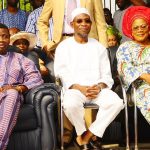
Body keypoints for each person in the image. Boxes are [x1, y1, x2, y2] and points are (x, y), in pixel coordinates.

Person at [54, 8, 124, 150]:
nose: (83, 24)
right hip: (75, 90)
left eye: (87, 21)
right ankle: (83, 135)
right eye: (79, 21)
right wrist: (80, 88)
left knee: (116, 103)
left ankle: (86, 136)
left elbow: (106, 76)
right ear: (72, 24)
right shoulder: (63, 47)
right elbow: (60, 73)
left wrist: (98, 87)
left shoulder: (99, 47)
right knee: (70, 104)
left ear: (91, 24)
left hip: (97, 90)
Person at [0, 23, 43, 150]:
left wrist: (19, 88)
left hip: (11, 95)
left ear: (9, 39)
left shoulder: (20, 58)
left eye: (5, 36)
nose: (1, 40)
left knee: (13, 94)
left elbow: (36, 77)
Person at [37, 0, 108, 60]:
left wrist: (103, 49)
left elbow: (101, 23)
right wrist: (45, 44)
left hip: (88, 42)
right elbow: (42, 21)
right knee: (64, 75)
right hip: (62, 43)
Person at [116, 6, 150, 124]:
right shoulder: (126, 47)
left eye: (143, 26)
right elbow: (124, 68)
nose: (140, 30)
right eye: (136, 28)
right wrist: (145, 76)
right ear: (131, 31)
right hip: (139, 86)